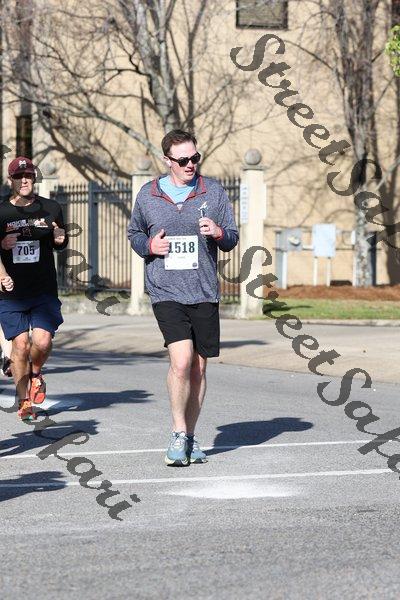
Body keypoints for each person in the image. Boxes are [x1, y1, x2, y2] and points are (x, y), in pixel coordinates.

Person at [128, 130, 239, 466]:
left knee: (198, 368)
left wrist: (218, 232)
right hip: (165, 290)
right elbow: (135, 233)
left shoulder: (213, 191)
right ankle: (177, 433)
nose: (190, 164)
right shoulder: (148, 195)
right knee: (181, 361)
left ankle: (190, 436)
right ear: (168, 161)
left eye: (195, 158)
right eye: (183, 160)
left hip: (203, 290)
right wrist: (150, 246)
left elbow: (232, 237)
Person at [0, 156, 68, 422]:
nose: (24, 180)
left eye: (28, 175)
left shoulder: (51, 208)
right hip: (12, 292)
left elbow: (60, 240)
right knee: (20, 344)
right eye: (19, 176)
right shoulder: (2, 212)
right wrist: (3, 246)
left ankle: (36, 373)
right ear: (11, 180)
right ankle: (24, 401)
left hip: (43, 289)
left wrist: (60, 239)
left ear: (34, 178)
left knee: (42, 342)